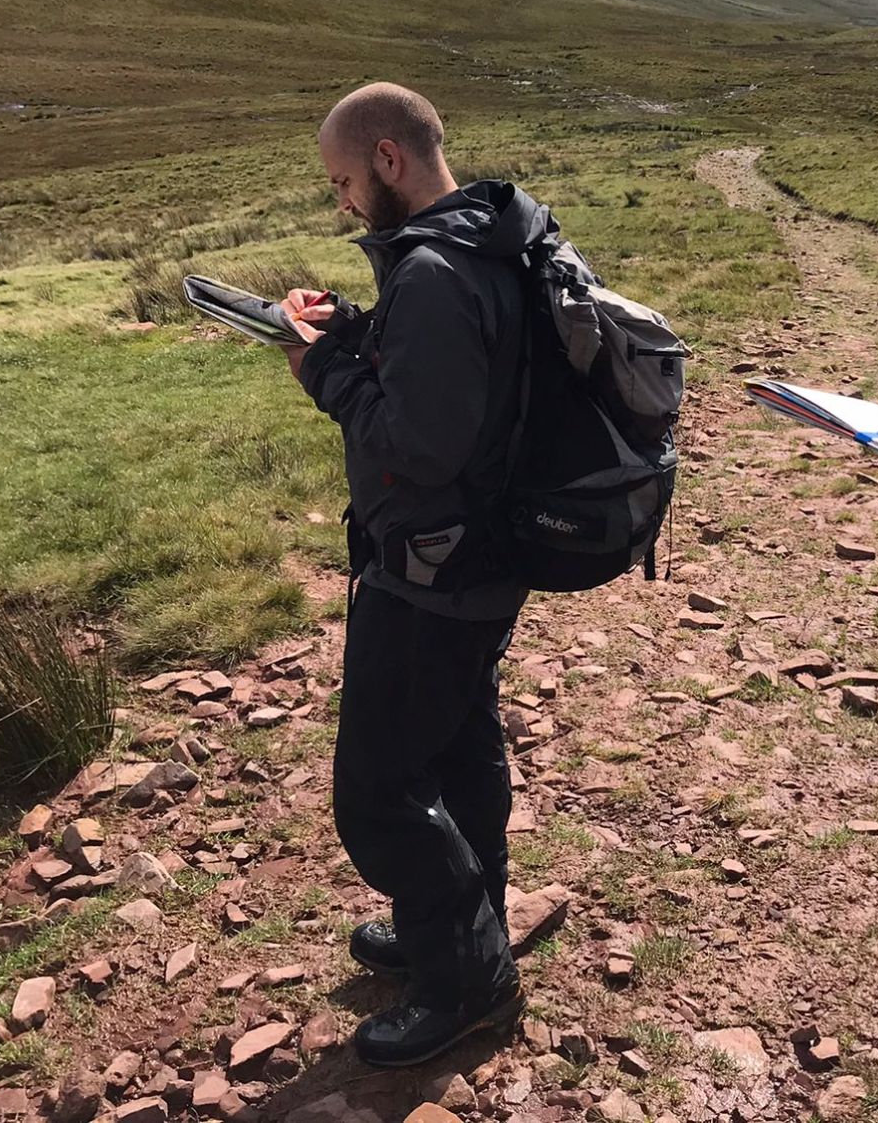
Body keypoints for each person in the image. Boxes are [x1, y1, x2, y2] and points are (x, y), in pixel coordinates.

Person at [281, 81, 544, 1067]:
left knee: (381, 790)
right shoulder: (488, 236)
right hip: (487, 560)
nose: (345, 202)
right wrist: (355, 329)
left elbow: (417, 446)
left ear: (388, 158)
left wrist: (321, 371)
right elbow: (456, 379)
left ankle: (468, 985)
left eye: (346, 180)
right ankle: (469, 926)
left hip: (431, 569)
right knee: (459, 748)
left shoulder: (435, 273)